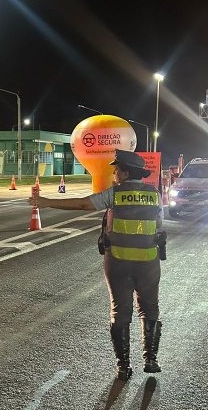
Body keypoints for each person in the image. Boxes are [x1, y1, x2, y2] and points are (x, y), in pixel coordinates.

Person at [29, 149, 164, 380]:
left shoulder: (115, 194)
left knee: (120, 311)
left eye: (116, 170)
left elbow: (83, 204)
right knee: (149, 308)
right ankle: (150, 359)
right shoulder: (155, 195)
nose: (114, 173)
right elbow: (158, 227)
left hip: (119, 262)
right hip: (148, 262)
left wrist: (45, 202)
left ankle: (123, 366)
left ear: (124, 172)